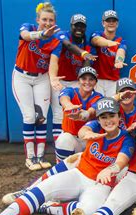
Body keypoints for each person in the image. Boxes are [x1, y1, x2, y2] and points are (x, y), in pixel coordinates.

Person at [0, 98, 135, 215]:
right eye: (103, 117)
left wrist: (111, 169)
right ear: (98, 119)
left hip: (99, 186)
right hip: (78, 175)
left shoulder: (126, 139)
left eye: (111, 115)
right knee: (42, 189)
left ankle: (49, 208)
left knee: (85, 213)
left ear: (119, 117)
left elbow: (122, 160)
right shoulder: (95, 127)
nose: (108, 121)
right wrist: (87, 133)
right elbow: (84, 130)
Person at [12, 2, 61, 171]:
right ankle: (30, 157)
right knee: (29, 116)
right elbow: (25, 35)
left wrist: (53, 78)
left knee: (41, 117)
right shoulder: (29, 27)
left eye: (51, 20)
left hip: (41, 78)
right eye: (44, 19)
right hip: (22, 76)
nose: (47, 23)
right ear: (38, 19)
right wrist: (40, 34)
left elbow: (54, 61)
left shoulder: (56, 38)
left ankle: (40, 155)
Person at [48, 13, 97, 141]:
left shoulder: (88, 44)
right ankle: (59, 145)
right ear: (71, 26)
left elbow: (86, 69)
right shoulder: (63, 35)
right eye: (76, 26)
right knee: (59, 115)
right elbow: (69, 46)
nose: (79, 29)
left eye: (82, 26)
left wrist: (86, 58)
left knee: (76, 114)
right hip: (60, 80)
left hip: (77, 82)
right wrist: (84, 54)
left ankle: (75, 143)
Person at [54, 66, 103, 162]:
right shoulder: (70, 91)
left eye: (91, 79)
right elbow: (64, 98)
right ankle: (61, 169)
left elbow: (92, 111)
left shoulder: (99, 97)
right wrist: (68, 105)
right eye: (84, 78)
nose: (87, 82)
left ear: (96, 82)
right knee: (64, 139)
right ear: (78, 80)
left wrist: (84, 115)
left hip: (88, 140)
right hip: (72, 139)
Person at [90, 10, 127, 97]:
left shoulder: (121, 41)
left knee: (111, 108)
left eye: (113, 21)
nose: (111, 23)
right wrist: (108, 43)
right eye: (108, 21)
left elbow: (121, 52)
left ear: (117, 24)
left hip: (113, 81)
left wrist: (119, 61)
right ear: (103, 23)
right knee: (97, 107)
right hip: (97, 79)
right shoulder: (97, 34)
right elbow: (96, 40)